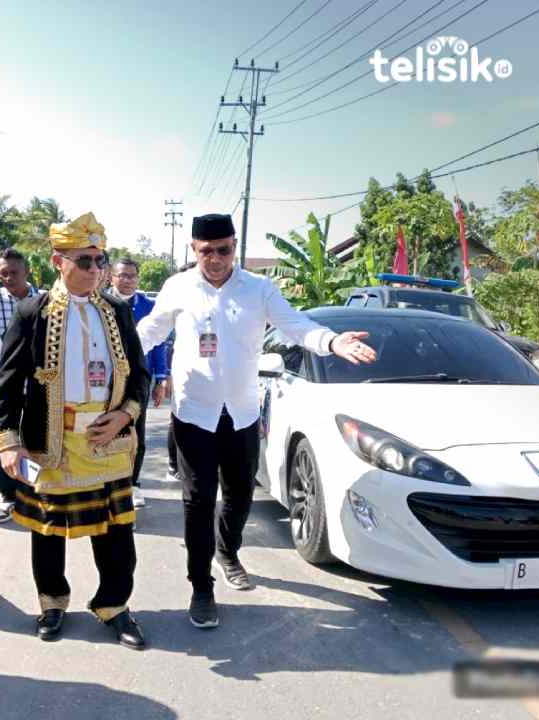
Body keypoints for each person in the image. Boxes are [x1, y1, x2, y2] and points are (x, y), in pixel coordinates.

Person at [135, 213, 377, 629]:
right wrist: (111, 352)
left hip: (242, 414)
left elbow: (297, 326)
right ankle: (201, 587)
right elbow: (148, 332)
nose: (215, 259)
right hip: (193, 413)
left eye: (224, 250)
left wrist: (332, 341)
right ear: (194, 250)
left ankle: (227, 551)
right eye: (206, 251)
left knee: (240, 495)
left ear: (235, 247)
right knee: (197, 502)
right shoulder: (178, 287)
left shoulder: (258, 289)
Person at [0, 212, 149, 649]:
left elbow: (140, 373)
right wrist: (7, 442)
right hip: (52, 442)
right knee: (47, 531)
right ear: (58, 261)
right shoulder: (33, 312)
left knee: (116, 532)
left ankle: (115, 606)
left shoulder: (117, 310)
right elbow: (7, 383)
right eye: (86, 261)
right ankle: (52, 602)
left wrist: (125, 415)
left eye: (101, 260)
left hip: (109, 440)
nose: (97, 270)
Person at [0, 247, 40, 523]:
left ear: (26, 272)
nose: (8, 278)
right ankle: (8, 498)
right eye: (3, 273)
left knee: (31, 439)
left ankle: (29, 494)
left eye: (14, 273)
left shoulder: (44, 301)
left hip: (36, 384)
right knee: (3, 439)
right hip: (1, 384)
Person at [108, 258, 170, 508]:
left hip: (139, 379)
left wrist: (161, 379)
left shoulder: (150, 306)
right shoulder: (100, 303)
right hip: (107, 380)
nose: (128, 280)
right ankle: (108, 482)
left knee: (137, 433)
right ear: (111, 277)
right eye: (122, 275)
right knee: (108, 429)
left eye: (132, 276)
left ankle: (133, 484)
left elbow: (159, 345)